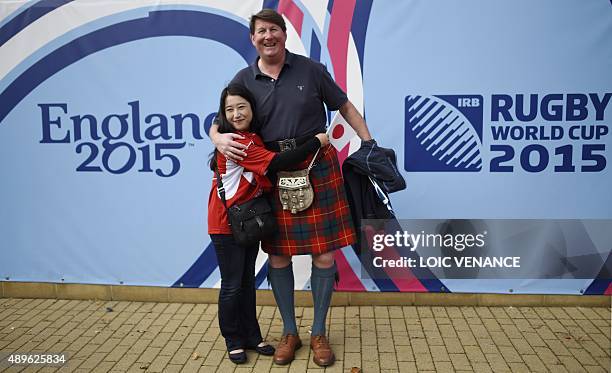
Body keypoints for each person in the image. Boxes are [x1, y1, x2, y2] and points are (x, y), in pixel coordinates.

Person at [209, 9, 373, 367]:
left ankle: (318, 332)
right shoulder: (243, 78)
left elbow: (343, 104)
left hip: (317, 166)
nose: (268, 37)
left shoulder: (311, 70)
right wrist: (218, 137)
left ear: (284, 34)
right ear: (252, 39)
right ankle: (288, 332)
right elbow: (221, 119)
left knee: (324, 256)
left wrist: (368, 141)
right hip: (272, 172)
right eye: (260, 32)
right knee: (279, 255)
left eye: (274, 30)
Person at [208, 83, 329, 364]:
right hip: (227, 223)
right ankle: (233, 340)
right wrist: (317, 141)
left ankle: (252, 336)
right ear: (223, 115)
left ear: (252, 108)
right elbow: (278, 162)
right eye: (229, 110)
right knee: (231, 285)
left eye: (241, 107)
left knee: (247, 282)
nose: (236, 114)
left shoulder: (249, 137)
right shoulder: (239, 142)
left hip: (248, 219)